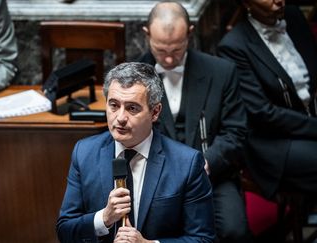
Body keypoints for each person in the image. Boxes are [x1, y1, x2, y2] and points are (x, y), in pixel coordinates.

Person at [56, 62, 215, 242]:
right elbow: (65, 230)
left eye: (132, 108)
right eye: (114, 105)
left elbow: (203, 238)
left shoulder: (187, 163)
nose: (121, 118)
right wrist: (104, 218)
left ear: (155, 112)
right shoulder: (84, 153)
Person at [138, 2, 252, 243]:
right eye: (160, 50)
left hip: (212, 174)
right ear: (147, 35)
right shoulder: (132, 77)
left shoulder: (222, 72)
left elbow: (235, 133)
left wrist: (207, 163)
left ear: (190, 33)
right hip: (155, 179)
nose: (168, 58)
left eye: (177, 49)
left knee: (235, 231)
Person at [218, 0, 317, 200]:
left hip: (308, 120)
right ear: (247, 4)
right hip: (274, 141)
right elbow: (263, 113)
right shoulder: (233, 46)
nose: (278, 0)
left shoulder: (293, 15)